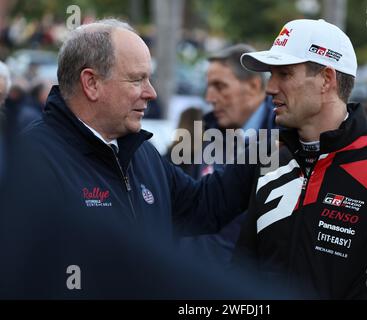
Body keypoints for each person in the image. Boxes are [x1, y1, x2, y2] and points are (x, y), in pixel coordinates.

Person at [0, 19, 258, 298]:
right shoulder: (33, 161)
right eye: (137, 79)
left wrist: (262, 155)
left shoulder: (139, 151)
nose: (151, 93)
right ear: (92, 83)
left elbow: (203, 206)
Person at [233, 19, 367, 299]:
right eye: (271, 75)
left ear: (326, 79)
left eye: (284, 74)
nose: (270, 87)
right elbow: (240, 271)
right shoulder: (272, 163)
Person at [175, 44, 277, 267]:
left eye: (220, 86)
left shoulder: (284, 143)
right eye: (208, 86)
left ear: (253, 86)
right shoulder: (206, 132)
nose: (210, 97)